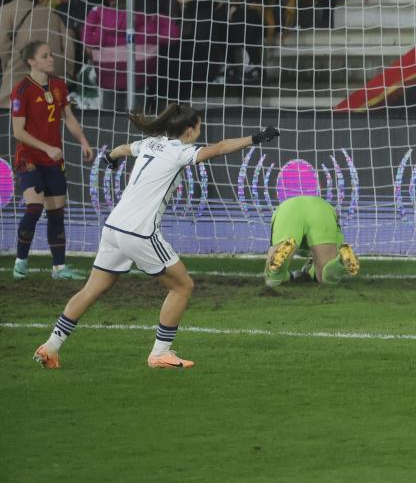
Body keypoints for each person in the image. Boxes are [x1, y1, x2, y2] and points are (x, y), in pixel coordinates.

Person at [32, 105, 281, 369]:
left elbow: (122, 148)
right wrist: (256, 137)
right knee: (182, 286)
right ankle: (161, 352)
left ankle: (50, 346)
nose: (200, 130)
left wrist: (111, 160)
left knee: (92, 289)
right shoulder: (181, 152)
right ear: (188, 130)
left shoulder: (151, 143)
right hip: (139, 232)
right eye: (198, 126)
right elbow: (219, 148)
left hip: (114, 227)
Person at [10, 41, 94, 281]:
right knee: (34, 208)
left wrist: (84, 142)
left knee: (57, 213)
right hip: (29, 158)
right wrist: (47, 148)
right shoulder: (22, 90)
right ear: (31, 61)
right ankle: (21, 260)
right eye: (45, 56)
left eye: (50, 54)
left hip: (53, 160)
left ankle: (59, 268)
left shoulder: (58, 85)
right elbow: (18, 131)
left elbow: (68, 117)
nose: (51, 58)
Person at [263, 195, 361, 286]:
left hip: (289, 209)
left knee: (271, 278)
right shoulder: (337, 233)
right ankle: (340, 262)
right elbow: (340, 243)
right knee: (324, 276)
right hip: (320, 210)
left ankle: (277, 271)